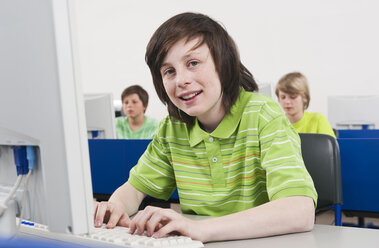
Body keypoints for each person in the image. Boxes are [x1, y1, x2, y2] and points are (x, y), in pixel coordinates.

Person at [94, 12, 317, 243]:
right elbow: (135, 188)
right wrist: (115, 206)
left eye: (193, 63)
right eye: (169, 71)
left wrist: (200, 229)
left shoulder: (263, 115)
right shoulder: (172, 128)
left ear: (224, 64)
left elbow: (300, 211)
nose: (181, 80)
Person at [275, 72, 336, 138]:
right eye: (283, 97)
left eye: (293, 97)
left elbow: (331, 147)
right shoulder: (275, 124)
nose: (287, 102)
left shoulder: (318, 120)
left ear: (304, 98)